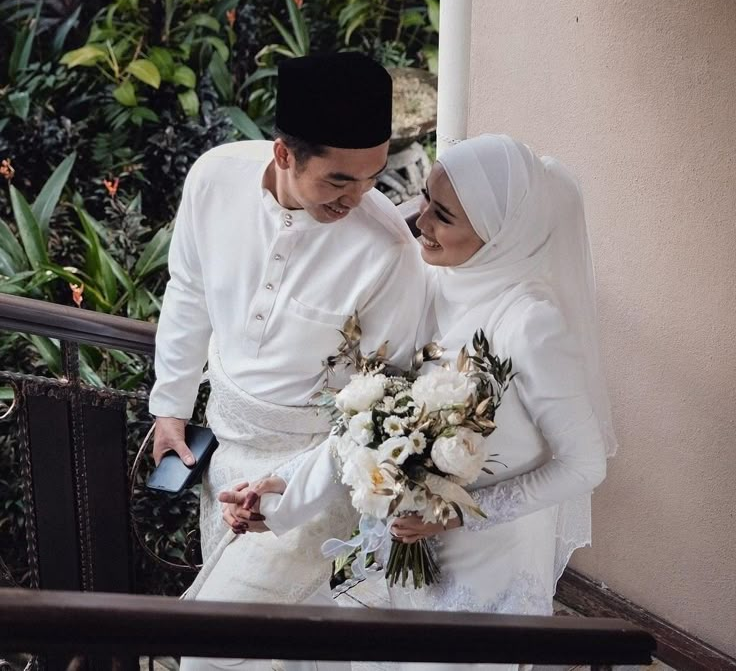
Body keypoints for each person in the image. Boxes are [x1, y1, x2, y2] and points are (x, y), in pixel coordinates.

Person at [224, 134, 617, 671]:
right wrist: (286, 486)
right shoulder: (436, 281)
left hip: (487, 554)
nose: (420, 222)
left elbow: (584, 465)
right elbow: (378, 416)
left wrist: (457, 516)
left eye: (443, 216)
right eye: (426, 200)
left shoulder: (532, 325)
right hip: (413, 540)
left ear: (497, 233)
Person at [148, 52, 426, 671]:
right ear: (283, 154)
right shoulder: (214, 178)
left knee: (212, 655)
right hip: (224, 454)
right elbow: (188, 289)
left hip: (313, 474)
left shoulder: (389, 252)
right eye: (338, 181)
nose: (359, 197)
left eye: (373, 177)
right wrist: (170, 405)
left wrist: (294, 492)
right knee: (280, 654)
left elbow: (385, 403)